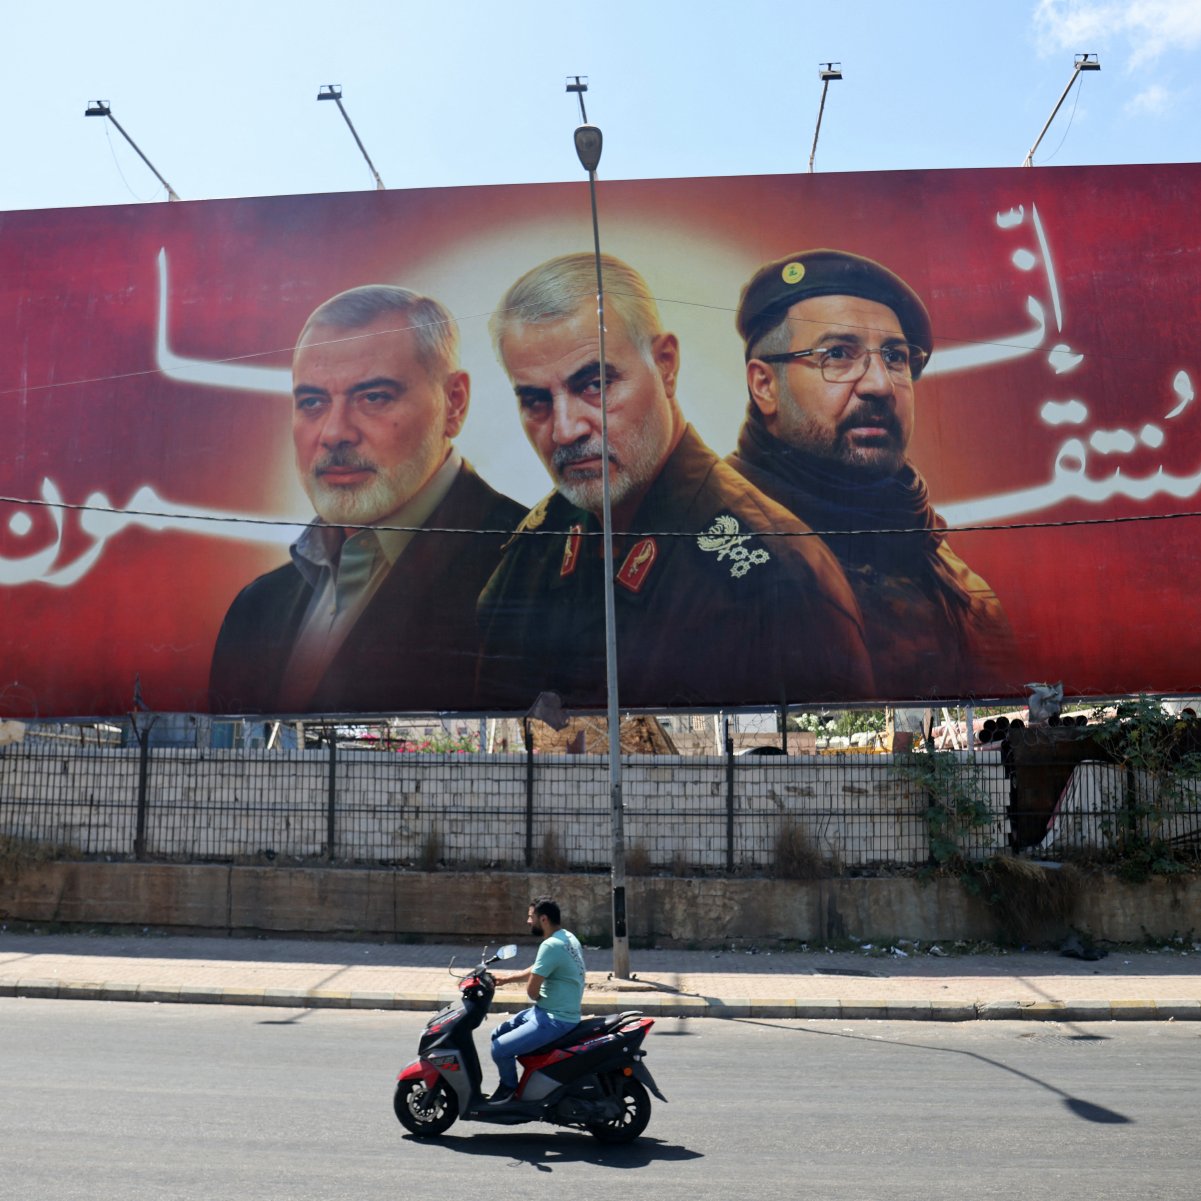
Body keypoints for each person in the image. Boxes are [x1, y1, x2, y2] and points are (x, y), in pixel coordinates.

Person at [475, 252, 874, 710]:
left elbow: (823, 750)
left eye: (595, 384)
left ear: (665, 365)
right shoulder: (531, 553)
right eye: (536, 400)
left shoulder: (779, 579)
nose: (565, 430)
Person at [209, 285, 524, 714]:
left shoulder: (531, 572)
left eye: (374, 397)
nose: (335, 432)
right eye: (313, 401)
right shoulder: (255, 608)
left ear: (454, 403)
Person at [726, 249, 1017, 699]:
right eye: (838, 354)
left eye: (895, 357)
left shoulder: (956, 583)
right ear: (765, 385)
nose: (880, 385)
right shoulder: (711, 548)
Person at [488, 896, 587, 1105]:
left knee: (499, 1048)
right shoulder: (567, 937)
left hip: (556, 1019)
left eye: (530, 917)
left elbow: (532, 991)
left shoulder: (551, 945)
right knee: (497, 1033)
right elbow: (539, 968)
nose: (528, 921)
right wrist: (506, 979)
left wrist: (536, 993)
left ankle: (509, 1091)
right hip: (548, 1011)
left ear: (543, 919)